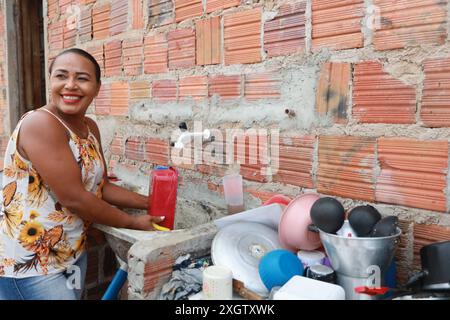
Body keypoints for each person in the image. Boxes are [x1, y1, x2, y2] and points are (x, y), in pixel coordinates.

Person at [0, 48, 164, 300]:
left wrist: (148, 203)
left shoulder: (89, 128)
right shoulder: (40, 124)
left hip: (70, 251)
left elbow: (101, 186)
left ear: (97, 87)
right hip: (29, 262)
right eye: (61, 76)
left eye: (82, 78)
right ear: (51, 81)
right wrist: (133, 222)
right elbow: (74, 197)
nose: (70, 85)